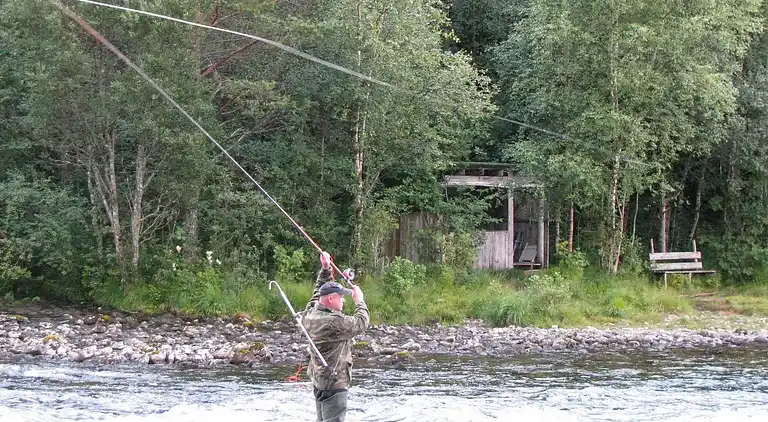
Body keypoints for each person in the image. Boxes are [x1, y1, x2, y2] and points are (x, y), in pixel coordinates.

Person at [302, 251, 369, 422]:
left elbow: (318, 293)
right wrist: (359, 300)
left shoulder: (309, 314)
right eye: (341, 297)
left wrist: (326, 269)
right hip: (335, 383)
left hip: (319, 381)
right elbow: (362, 322)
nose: (344, 301)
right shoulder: (335, 322)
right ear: (331, 299)